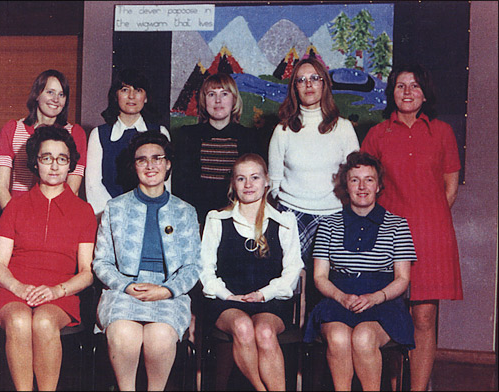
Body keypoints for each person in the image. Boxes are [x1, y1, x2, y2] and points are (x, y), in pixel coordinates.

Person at [360, 63, 462, 391]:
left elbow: (450, 185)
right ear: (392, 92)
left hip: (432, 236)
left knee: (424, 318)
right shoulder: (377, 134)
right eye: (401, 86)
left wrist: (427, 218)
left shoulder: (442, 131)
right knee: (386, 312)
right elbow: (365, 183)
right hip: (387, 236)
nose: (407, 92)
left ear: (425, 93)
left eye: (415, 86)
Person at [0, 126, 96, 390]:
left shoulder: (84, 211)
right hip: (12, 290)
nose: (54, 166)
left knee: (44, 322)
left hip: (60, 293)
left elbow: (86, 272)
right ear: (35, 162)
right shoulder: (15, 206)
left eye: (62, 159)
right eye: (46, 158)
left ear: (71, 164)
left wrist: (57, 291)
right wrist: (18, 288)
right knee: (20, 320)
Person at [92, 131, 201, 391]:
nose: (150, 165)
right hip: (123, 290)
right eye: (142, 160)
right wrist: (126, 286)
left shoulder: (185, 211)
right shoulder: (115, 208)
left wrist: (166, 290)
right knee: (124, 335)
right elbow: (101, 262)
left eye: (157, 158)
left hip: (168, 292)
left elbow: (193, 267)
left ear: (168, 164)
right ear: (134, 166)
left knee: (160, 337)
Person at [303, 151, 416, 391]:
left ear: (379, 186)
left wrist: (375, 297)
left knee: (364, 337)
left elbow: (403, 278)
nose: (362, 186)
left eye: (369, 180)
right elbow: (320, 277)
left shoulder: (398, 225)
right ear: (346, 185)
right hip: (338, 299)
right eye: (355, 180)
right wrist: (341, 297)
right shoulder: (328, 224)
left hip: (383, 302)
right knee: (338, 337)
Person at [200, 153, 303, 391]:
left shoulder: (285, 221)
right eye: (241, 179)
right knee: (243, 327)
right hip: (228, 302)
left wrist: (264, 294)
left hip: (269, 301)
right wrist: (227, 295)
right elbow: (205, 269)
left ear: (267, 181)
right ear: (233, 184)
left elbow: (292, 270)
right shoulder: (217, 219)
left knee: (265, 332)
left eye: (255, 177)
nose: (248, 185)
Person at [268, 57, 359, 309]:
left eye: (314, 78)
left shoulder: (343, 128)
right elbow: (273, 183)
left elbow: (354, 177)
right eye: (301, 80)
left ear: (325, 84)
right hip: (292, 216)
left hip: (333, 216)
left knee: (327, 292)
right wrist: (288, 214)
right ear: (294, 88)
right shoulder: (283, 130)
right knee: (288, 286)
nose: (308, 85)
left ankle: (318, 343)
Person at [172, 73, 259, 224]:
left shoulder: (250, 138)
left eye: (224, 94)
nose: (218, 100)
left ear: (234, 100)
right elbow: (180, 187)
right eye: (211, 94)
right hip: (196, 218)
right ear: (204, 101)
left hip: (237, 219)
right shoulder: (187, 135)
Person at [0, 69, 87, 208]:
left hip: (57, 209)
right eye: (50, 92)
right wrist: (12, 218)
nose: (56, 99)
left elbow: (73, 189)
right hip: (16, 208)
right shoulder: (12, 129)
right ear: (37, 94)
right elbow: (1, 187)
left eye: (61, 94)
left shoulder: (75, 133)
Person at [86, 68, 171, 218]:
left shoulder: (160, 133)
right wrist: (115, 216)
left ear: (145, 97)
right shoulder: (99, 135)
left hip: (151, 214)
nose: (131, 96)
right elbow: (93, 185)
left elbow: (165, 184)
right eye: (125, 89)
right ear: (116, 95)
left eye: (138, 90)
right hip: (109, 216)